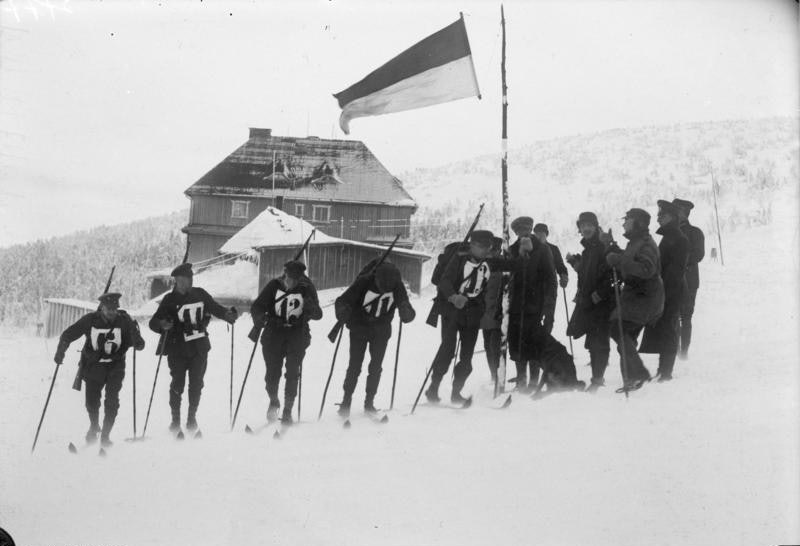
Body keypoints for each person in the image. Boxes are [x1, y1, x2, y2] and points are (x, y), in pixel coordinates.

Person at [148, 262, 238, 433]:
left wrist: (228, 315)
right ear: (178, 280)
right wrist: (163, 324)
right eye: (187, 279)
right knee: (178, 384)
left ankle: (191, 419)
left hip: (199, 347)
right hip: (177, 349)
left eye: (191, 278)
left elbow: (216, 308)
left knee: (197, 384)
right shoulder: (169, 300)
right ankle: (175, 420)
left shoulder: (200, 294)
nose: (190, 282)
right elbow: (153, 323)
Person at [54, 292, 145, 447]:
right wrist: (60, 351)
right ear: (102, 308)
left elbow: (139, 344)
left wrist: (136, 340)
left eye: (114, 309)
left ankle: (105, 436)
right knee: (91, 402)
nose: (112, 312)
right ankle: (94, 426)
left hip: (115, 367)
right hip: (93, 366)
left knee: (112, 401)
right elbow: (68, 334)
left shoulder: (124, 321)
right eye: (109, 309)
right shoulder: (90, 320)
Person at [425, 230, 497, 404]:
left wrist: (524, 255)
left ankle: (456, 392)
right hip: (452, 311)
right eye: (481, 247)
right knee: (447, 351)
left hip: (472, 313)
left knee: (466, 357)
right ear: (472, 245)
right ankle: (433, 389)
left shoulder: (488, 263)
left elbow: (512, 265)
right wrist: (453, 296)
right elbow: (444, 281)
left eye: (487, 247)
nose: (485, 251)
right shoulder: (458, 259)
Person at [334, 262, 415, 416]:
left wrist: (406, 311)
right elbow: (342, 301)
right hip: (359, 328)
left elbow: (406, 308)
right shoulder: (364, 282)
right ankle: (346, 401)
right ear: (376, 279)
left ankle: (369, 402)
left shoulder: (396, 285)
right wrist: (343, 311)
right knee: (355, 366)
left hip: (381, 330)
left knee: (376, 367)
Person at [251, 260, 322, 424]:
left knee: (292, 373)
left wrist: (311, 308)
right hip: (273, 336)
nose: (292, 283)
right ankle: (274, 401)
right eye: (290, 279)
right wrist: (260, 318)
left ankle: (288, 410)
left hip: (296, 336)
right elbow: (257, 307)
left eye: (296, 280)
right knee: (271, 375)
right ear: (285, 275)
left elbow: (318, 314)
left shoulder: (306, 288)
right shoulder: (274, 286)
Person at [602, 208, 664, 392]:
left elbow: (646, 270)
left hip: (645, 298)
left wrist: (619, 261)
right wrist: (611, 246)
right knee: (623, 336)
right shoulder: (636, 242)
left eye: (627, 220)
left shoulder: (646, 244)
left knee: (618, 329)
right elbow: (628, 259)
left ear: (638, 223)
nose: (623, 223)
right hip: (637, 298)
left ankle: (637, 375)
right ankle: (632, 378)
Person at [639, 201, 689, 381]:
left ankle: (666, 372)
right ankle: (663, 369)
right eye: (659, 215)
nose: (658, 218)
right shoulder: (669, 237)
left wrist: (663, 290)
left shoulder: (679, 239)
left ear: (673, 218)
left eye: (663, 215)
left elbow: (675, 271)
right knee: (665, 328)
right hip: (665, 289)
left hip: (672, 290)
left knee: (669, 328)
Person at [565, 212, 614, 392]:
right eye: (583, 225)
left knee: (599, 342)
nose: (586, 229)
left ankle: (598, 380)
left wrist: (599, 294)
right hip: (588, 303)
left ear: (596, 226)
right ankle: (597, 377)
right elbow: (586, 273)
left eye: (589, 225)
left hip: (602, 303)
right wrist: (574, 263)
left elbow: (611, 274)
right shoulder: (588, 249)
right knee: (592, 341)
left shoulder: (602, 246)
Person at [507, 216, 557, 393]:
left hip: (536, 306)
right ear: (516, 233)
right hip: (515, 306)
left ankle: (534, 382)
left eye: (526, 229)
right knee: (517, 343)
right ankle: (521, 381)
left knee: (534, 343)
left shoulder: (542, 250)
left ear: (531, 229)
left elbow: (551, 280)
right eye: (520, 231)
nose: (524, 233)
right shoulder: (512, 250)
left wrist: (549, 308)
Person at [672, 198, 705, 359]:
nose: (675, 215)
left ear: (685, 213)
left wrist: (680, 260)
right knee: (673, 316)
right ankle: (674, 350)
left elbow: (699, 254)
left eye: (677, 212)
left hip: (689, 281)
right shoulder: (669, 233)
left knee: (685, 316)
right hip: (672, 280)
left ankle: (683, 352)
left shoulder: (695, 232)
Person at [479, 237, 505, 383]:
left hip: (498, 313)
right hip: (484, 313)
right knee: (487, 346)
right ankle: (493, 375)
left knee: (495, 346)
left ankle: (497, 376)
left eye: (496, 250)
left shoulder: (503, 265)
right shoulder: (482, 265)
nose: (492, 253)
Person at [533, 223, 569, 289]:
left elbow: (560, 266)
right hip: (532, 286)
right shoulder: (530, 248)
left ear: (546, 235)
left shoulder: (553, 249)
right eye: (537, 233)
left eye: (542, 232)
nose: (539, 235)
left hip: (549, 286)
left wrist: (564, 276)